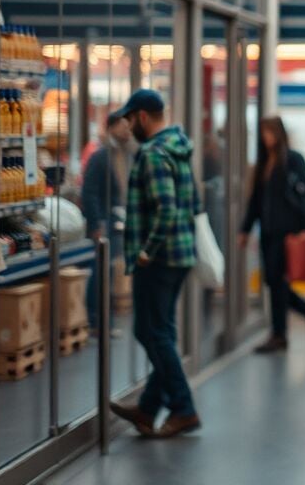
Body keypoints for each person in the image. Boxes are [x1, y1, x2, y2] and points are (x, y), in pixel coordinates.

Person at [107, 89, 202, 439]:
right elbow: (189, 202)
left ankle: (183, 408)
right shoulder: (178, 148)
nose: (128, 126)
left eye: (130, 119)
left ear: (143, 117)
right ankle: (148, 408)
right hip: (178, 254)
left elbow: (167, 208)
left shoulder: (153, 154)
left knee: (151, 332)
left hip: (159, 259)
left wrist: (146, 250)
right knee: (160, 332)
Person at [239, 117, 305, 354]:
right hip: (267, 230)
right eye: (264, 132)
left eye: (270, 132)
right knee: (274, 282)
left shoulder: (294, 161)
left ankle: (280, 333)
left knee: (277, 281)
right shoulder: (264, 163)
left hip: (286, 232)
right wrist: (246, 228)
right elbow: (256, 200)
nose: (267, 137)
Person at [80, 111, 134, 335]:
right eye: (122, 126)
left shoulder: (122, 153)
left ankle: (104, 321)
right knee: (100, 271)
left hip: (115, 221)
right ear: (111, 126)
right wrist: (96, 222)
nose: (126, 130)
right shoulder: (101, 155)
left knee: (109, 271)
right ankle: (96, 321)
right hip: (104, 222)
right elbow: (89, 191)